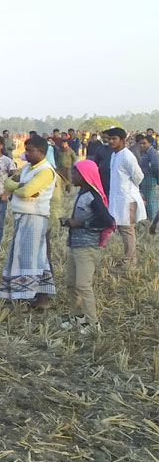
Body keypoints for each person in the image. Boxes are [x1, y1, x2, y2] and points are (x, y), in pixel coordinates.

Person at [0, 136, 57, 308]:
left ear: (41, 151)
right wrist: (21, 186)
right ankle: (40, 298)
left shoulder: (45, 171)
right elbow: (8, 182)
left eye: (30, 150)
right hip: (23, 216)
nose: (26, 154)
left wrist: (20, 188)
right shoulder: (26, 168)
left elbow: (26, 192)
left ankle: (25, 298)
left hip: (35, 217)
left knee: (28, 258)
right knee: (34, 256)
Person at [59, 160, 115, 335]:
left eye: (76, 173)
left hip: (87, 246)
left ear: (85, 176)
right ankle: (77, 317)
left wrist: (80, 224)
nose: (72, 176)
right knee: (71, 284)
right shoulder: (81, 193)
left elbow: (108, 221)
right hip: (75, 244)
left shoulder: (93, 197)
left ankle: (93, 323)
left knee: (83, 285)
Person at [104, 127, 146, 267]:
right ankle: (130, 258)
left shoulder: (127, 156)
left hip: (127, 198)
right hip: (118, 198)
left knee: (127, 229)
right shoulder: (114, 155)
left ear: (123, 140)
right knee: (123, 228)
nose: (111, 141)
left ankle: (129, 261)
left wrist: (131, 189)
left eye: (114, 139)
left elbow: (138, 176)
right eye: (109, 139)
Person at [136, 134, 158, 233]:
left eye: (144, 143)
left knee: (149, 201)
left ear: (150, 143)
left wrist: (157, 178)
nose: (142, 145)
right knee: (145, 200)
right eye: (141, 143)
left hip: (150, 178)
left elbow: (156, 167)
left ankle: (151, 221)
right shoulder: (146, 152)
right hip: (144, 178)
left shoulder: (152, 153)